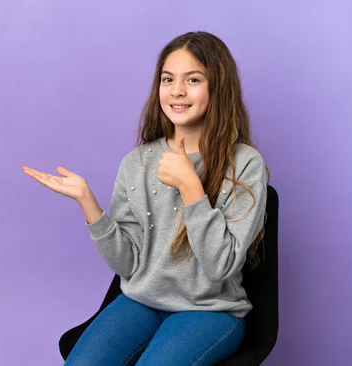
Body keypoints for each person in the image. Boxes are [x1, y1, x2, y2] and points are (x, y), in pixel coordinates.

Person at [22, 31, 269, 365]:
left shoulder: (245, 164)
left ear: (218, 87)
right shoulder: (137, 163)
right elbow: (129, 264)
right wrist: (87, 202)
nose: (177, 90)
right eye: (168, 79)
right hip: (142, 301)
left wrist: (190, 188)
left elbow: (220, 267)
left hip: (209, 310)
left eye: (193, 79)